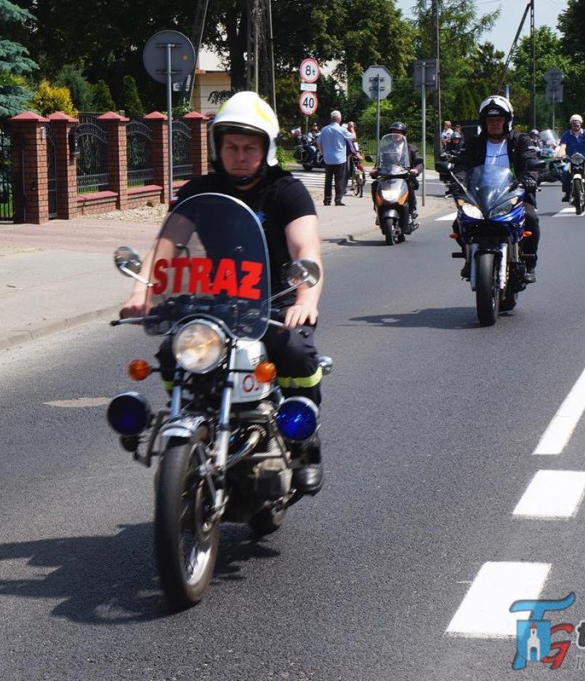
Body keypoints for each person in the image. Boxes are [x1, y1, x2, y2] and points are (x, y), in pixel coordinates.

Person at [118, 91, 325, 494]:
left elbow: (306, 249)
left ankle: (306, 441)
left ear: (266, 148)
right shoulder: (199, 190)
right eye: (232, 146)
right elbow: (166, 244)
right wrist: (142, 291)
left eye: (250, 147)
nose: (240, 155)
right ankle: (192, 418)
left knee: (298, 354)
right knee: (169, 353)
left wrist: (306, 300)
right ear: (218, 146)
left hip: (271, 303)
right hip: (210, 302)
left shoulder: (287, 191)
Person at [452, 95, 540, 283]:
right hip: (480, 196)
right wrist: (457, 181)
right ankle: (469, 258)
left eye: (498, 120)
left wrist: (530, 178)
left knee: (531, 218)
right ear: (483, 122)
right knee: (458, 223)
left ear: (507, 121)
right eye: (490, 120)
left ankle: (530, 262)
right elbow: (462, 164)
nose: (494, 124)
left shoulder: (520, 141)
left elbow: (529, 160)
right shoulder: (474, 143)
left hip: (513, 193)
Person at [370, 121, 424, 227]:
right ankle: (378, 210)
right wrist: (374, 170)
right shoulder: (385, 148)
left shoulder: (411, 148)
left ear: (403, 134)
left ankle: (410, 212)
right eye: (394, 132)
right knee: (375, 185)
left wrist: (416, 170)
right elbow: (379, 164)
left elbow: (419, 162)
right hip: (388, 175)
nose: (396, 134)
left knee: (410, 185)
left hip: (405, 176)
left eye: (399, 132)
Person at [555, 114, 585, 202]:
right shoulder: (566, 134)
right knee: (564, 171)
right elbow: (563, 146)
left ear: (581, 124)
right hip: (571, 159)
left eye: (577, 123)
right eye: (574, 124)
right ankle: (567, 193)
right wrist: (559, 154)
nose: (576, 125)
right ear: (571, 124)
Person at [316, 110, 353, 206]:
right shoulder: (341, 130)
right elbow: (352, 137)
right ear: (339, 119)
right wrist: (352, 128)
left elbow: (319, 142)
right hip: (340, 158)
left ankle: (327, 200)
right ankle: (338, 200)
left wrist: (323, 152)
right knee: (339, 179)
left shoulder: (324, 129)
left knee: (328, 180)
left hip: (328, 158)